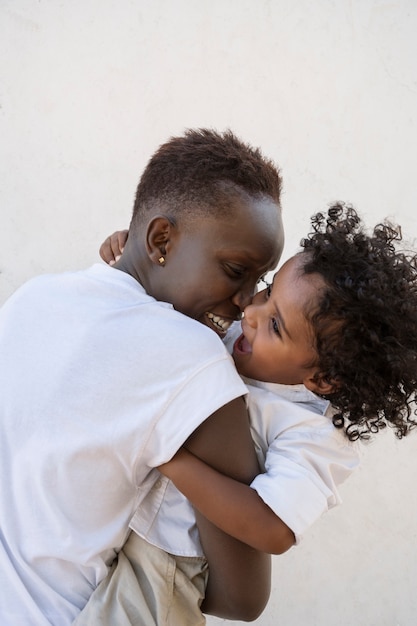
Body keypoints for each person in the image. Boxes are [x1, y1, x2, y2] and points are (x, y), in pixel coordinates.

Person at [76, 203, 417, 625]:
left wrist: (172, 459)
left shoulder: (312, 432)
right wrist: (138, 257)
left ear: (324, 379)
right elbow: (175, 299)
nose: (252, 314)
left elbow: (272, 527)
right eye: (269, 291)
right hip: (117, 520)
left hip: (166, 565)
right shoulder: (237, 333)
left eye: (276, 326)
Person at [0, 128, 286, 625]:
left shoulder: (32, 298)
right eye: (236, 270)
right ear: (161, 239)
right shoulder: (194, 357)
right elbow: (242, 598)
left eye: (260, 282)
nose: (246, 302)